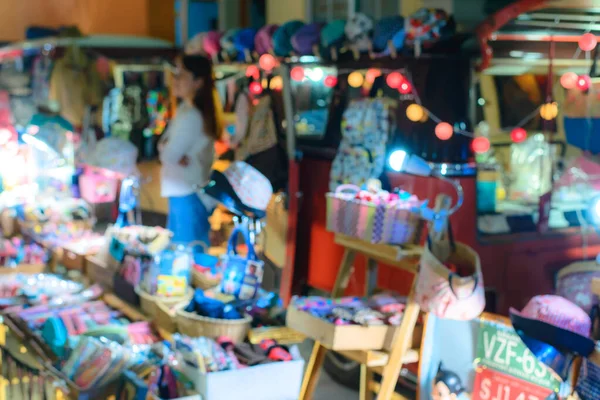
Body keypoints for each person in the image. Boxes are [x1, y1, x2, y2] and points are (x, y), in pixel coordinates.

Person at [159, 54, 222, 246]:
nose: (175, 80)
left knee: (187, 256)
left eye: (181, 74)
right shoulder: (187, 111)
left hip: (188, 193)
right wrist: (167, 150)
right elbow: (165, 149)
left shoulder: (192, 116)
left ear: (197, 82)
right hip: (184, 191)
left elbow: (168, 153)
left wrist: (168, 150)